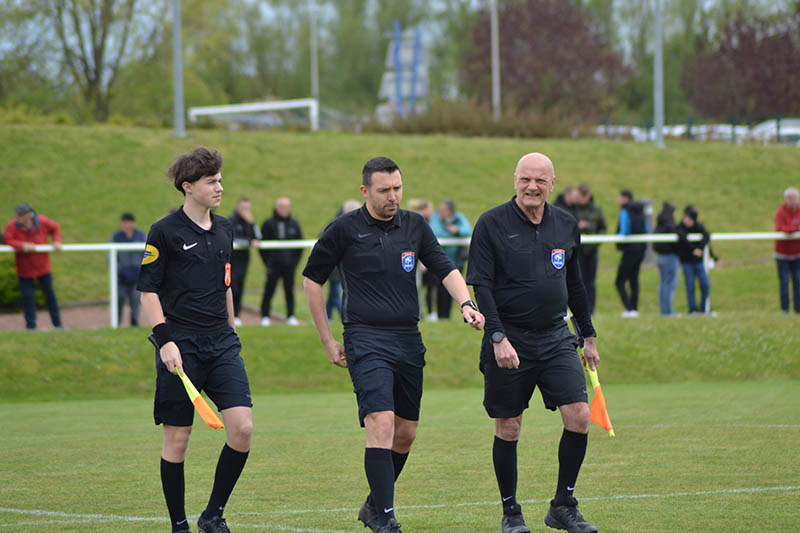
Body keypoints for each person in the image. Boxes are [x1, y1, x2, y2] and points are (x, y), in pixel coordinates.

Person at [302, 156, 485, 533]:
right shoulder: (343, 229)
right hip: (364, 338)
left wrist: (466, 303)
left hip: (408, 339)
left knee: (406, 432)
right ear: (365, 190)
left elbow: (444, 267)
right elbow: (312, 280)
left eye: (398, 188)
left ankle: (373, 505)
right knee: (381, 423)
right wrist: (327, 339)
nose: (393, 196)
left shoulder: (415, 225)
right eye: (384, 190)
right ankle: (385, 517)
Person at [467, 153, 599, 533]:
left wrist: (588, 335)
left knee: (580, 416)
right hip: (510, 338)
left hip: (556, 337)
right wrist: (497, 337)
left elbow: (575, 285)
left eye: (540, 180)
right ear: (515, 180)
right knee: (509, 426)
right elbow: (482, 286)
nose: (532, 186)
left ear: (552, 184)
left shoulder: (566, 224)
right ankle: (511, 513)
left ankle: (563, 506)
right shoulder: (491, 223)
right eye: (526, 179)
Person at [137, 147, 253, 533]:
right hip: (181, 345)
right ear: (187, 187)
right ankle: (180, 526)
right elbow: (148, 291)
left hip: (222, 344)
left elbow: (226, 284)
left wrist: (232, 330)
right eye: (211, 181)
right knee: (178, 439)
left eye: (220, 180)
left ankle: (212, 515)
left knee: (242, 429)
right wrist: (165, 341)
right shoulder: (164, 231)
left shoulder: (226, 229)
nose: (220, 187)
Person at [3, 203, 63, 330]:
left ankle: (57, 324)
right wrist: (22, 245)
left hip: (43, 267)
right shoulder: (12, 225)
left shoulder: (42, 222)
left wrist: (57, 241)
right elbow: (7, 239)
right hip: (24, 269)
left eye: (21, 215)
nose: (19, 218)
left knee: (50, 296)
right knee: (27, 298)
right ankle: (30, 326)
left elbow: (55, 228)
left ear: (29, 215)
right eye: (18, 215)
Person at [259, 197, 303, 326]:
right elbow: (262, 246)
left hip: (289, 265)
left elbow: (300, 245)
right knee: (269, 289)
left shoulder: (294, 223)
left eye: (287, 207)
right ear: (277, 207)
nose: (284, 209)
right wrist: (268, 262)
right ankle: (265, 316)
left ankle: (290, 316)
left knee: (289, 290)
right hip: (273, 265)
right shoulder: (268, 223)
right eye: (282, 207)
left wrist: (294, 262)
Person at [429, 199, 472, 319]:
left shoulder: (458, 218)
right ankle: (440, 315)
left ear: (450, 211)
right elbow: (434, 232)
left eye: (443, 210)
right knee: (440, 288)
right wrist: (452, 233)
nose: (440, 212)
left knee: (453, 289)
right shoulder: (436, 218)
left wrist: (457, 230)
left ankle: (447, 316)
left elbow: (467, 230)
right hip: (439, 262)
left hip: (457, 261)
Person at [325, 199, 362, 321]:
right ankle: (347, 317)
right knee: (336, 293)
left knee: (333, 293)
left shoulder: (351, 226)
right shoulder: (338, 227)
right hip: (335, 268)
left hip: (341, 268)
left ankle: (328, 316)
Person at [574, 184, 606, 314]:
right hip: (577, 251)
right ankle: (578, 310)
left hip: (592, 251)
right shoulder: (573, 208)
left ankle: (590, 310)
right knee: (577, 281)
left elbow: (603, 228)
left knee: (590, 282)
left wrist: (595, 241)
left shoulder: (596, 209)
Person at [614, 190, 647, 317]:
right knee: (634, 279)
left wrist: (618, 240)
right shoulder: (641, 211)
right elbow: (646, 229)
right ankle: (634, 309)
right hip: (640, 249)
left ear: (625, 198)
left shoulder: (625, 211)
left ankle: (629, 309)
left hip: (629, 250)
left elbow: (625, 231)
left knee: (619, 281)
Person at [230, 198, 262, 326]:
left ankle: (237, 315)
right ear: (238, 207)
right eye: (243, 208)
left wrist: (252, 223)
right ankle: (230, 315)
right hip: (232, 259)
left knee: (240, 287)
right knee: (232, 287)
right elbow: (233, 238)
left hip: (244, 259)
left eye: (248, 208)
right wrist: (249, 242)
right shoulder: (231, 221)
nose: (246, 211)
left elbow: (258, 237)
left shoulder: (249, 222)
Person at [111, 212, 146, 326]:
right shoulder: (116, 237)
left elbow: (146, 253)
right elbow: (111, 257)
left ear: (132, 223)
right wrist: (117, 270)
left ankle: (135, 322)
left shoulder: (140, 235)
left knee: (136, 300)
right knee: (119, 298)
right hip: (121, 277)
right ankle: (116, 323)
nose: (125, 225)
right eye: (124, 223)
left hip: (136, 276)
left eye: (127, 223)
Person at [676, 205, 711, 314]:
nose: (685, 220)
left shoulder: (699, 226)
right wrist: (693, 250)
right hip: (687, 262)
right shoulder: (680, 227)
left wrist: (699, 249)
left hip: (698, 262)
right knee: (690, 286)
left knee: (705, 284)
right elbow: (682, 238)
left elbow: (707, 235)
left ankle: (702, 308)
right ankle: (692, 309)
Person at [774, 187, 800, 314]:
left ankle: (798, 309)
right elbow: (781, 228)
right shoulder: (780, 212)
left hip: (797, 254)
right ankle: (785, 309)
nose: (792, 201)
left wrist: (791, 229)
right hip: (782, 254)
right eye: (790, 198)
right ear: (785, 200)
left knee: (798, 281)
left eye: (794, 198)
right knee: (784, 282)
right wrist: (796, 228)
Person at [653, 202, 680, 316]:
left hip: (660, 256)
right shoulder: (670, 224)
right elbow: (676, 240)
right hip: (670, 257)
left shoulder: (659, 222)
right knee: (670, 284)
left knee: (663, 284)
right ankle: (668, 311)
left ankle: (664, 310)